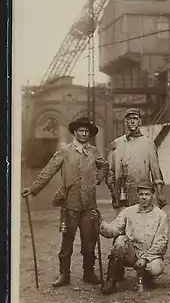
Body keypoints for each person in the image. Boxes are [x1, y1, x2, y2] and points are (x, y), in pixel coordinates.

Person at [21, 116, 109, 287]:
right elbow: (48, 170)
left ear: (89, 134)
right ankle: (64, 274)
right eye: (80, 130)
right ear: (75, 132)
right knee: (67, 239)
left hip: (89, 205)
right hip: (70, 204)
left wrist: (98, 178)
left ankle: (89, 272)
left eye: (87, 131)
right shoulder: (65, 151)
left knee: (89, 240)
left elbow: (104, 165)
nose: (84, 133)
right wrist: (33, 189)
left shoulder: (94, 151)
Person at [93, 182, 169, 294]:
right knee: (120, 240)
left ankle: (147, 276)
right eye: (141, 194)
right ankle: (111, 280)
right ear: (137, 195)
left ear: (153, 195)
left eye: (147, 194)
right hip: (132, 252)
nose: (144, 197)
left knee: (155, 269)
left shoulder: (161, 215)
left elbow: (161, 242)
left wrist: (145, 259)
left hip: (150, 254)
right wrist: (100, 222)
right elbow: (113, 229)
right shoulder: (128, 212)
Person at [105, 108, 167, 212]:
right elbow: (109, 171)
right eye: (129, 119)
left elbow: (156, 172)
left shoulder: (148, 144)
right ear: (125, 121)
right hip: (122, 195)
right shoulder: (117, 144)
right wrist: (113, 192)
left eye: (135, 118)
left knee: (142, 225)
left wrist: (160, 194)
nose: (132, 121)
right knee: (123, 226)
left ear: (140, 121)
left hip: (143, 196)